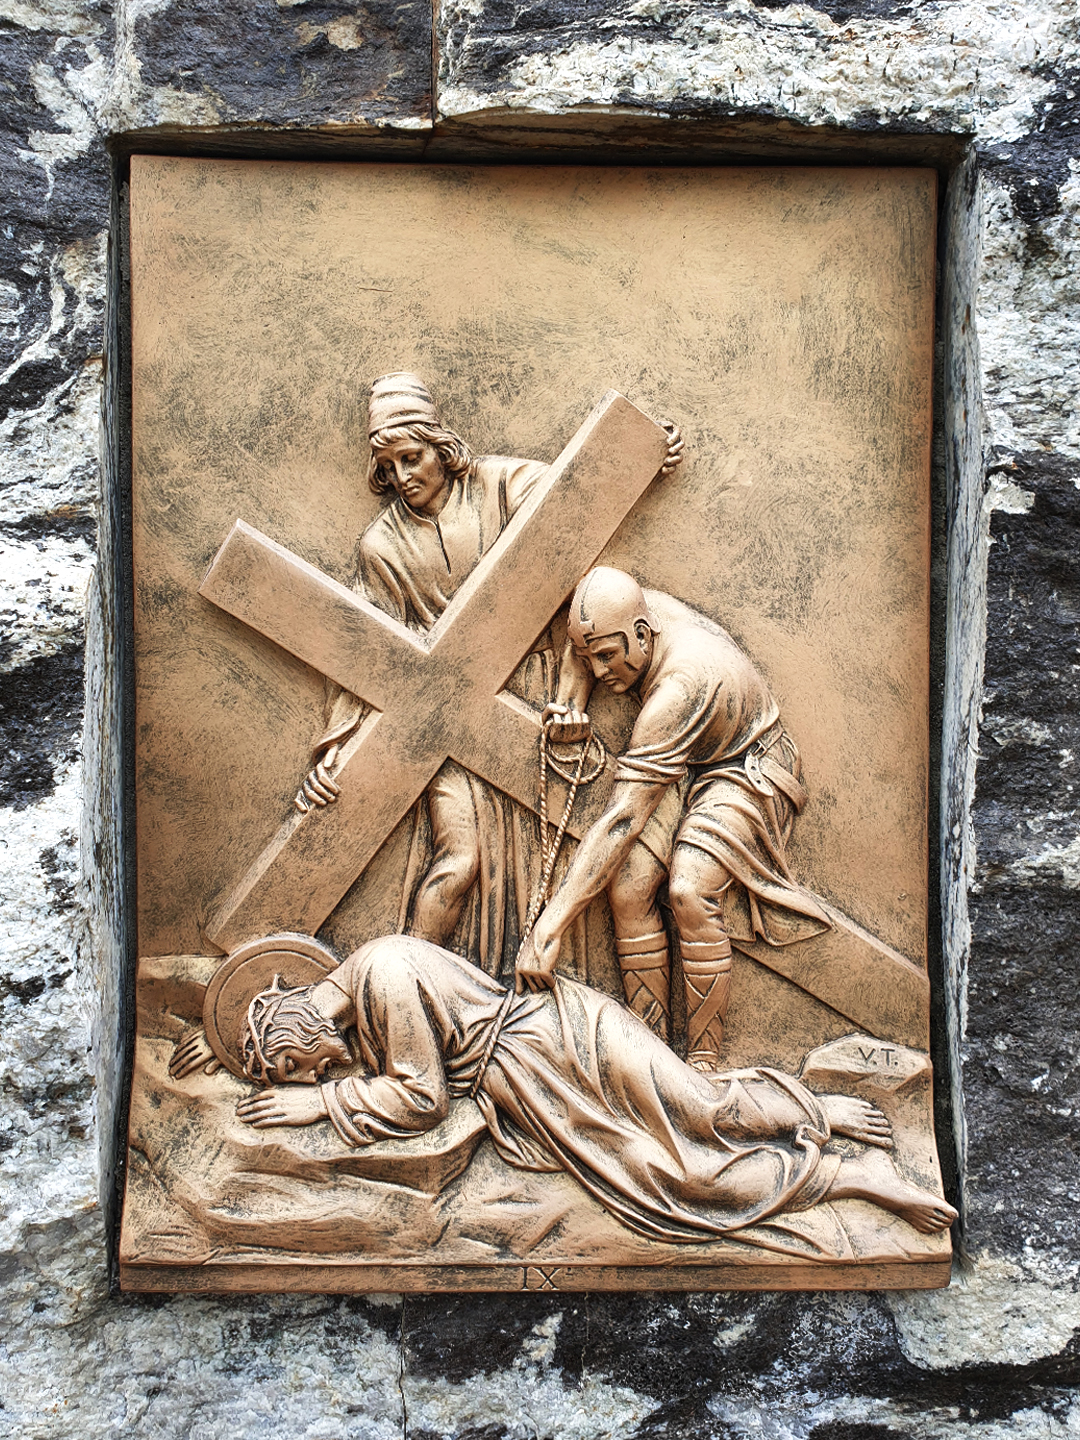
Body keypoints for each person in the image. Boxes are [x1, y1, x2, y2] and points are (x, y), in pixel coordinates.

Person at [294, 375, 683, 977]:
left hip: (532, 701)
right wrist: (337, 750)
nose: (402, 476)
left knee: (552, 850)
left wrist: (648, 454)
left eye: (412, 457)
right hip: (441, 716)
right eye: (388, 466)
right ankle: (406, 985)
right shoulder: (381, 546)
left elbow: (581, 504)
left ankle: (535, 992)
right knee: (459, 860)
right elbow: (364, 652)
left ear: (441, 445)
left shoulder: (503, 485)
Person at [229, 934, 957, 1244]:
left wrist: (318, 1104)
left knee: (698, 1108)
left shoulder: (381, 973)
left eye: (300, 1066)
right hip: (535, 1075)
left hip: (555, 1044)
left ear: (293, 1029)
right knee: (665, 1176)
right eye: (311, 1078)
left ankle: (816, 1109)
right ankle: (852, 1178)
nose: (320, 1074)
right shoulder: (360, 987)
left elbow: (423, 1099)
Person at [517, 567, 832, 1073]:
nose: (599, 670)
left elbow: (623, 820)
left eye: (608, 657)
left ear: (643, 635)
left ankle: (702, 1065)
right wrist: (569, 705)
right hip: (688, 756)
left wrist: (548, 927)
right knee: (628, 888)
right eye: (591, 658)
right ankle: (650, 1054)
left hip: (751, 766)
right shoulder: (622, 610)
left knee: (689, 889)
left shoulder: (680, 687)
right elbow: (582, 640)